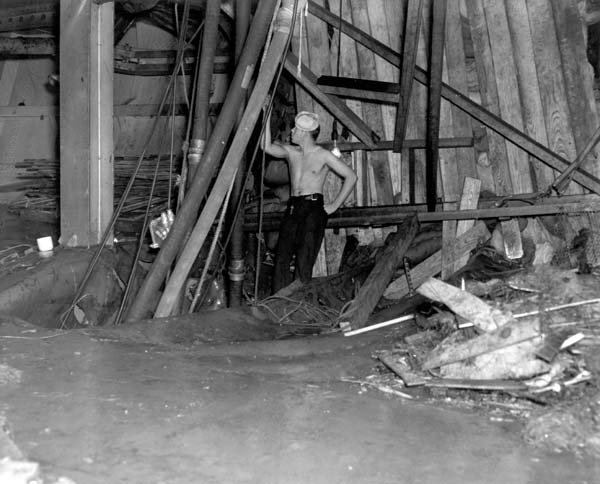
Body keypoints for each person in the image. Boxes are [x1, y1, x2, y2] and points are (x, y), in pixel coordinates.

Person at [261, 110, 357, 292]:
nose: (291, 132)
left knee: (305, 259)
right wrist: (266, 113)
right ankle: (277, 302)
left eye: (295, 129)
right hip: (293, 207)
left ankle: (299, 304)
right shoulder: (291, 152)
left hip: (313, 208)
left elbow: (351, 177)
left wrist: (334, 205)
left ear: (304, 133)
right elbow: (265, 146)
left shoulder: (323, 155)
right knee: (282, 255)